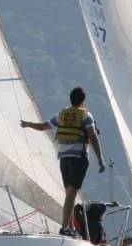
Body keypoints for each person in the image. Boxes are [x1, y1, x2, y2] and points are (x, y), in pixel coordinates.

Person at [20, 86, 106, 237]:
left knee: (69, 194)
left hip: (64, 159)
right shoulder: (86, 116)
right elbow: (92, 137)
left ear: (70, 99)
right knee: (71, 194)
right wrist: (100, 159)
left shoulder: (62, 114)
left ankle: (71, 227)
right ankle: (65, 227)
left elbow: (43, 127)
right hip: (78, 158)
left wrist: (28, 124)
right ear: (83, 100)